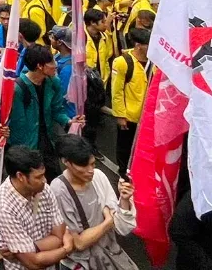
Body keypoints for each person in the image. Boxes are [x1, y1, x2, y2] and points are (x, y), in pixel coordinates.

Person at [49, 134, 137, 270]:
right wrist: (108, 221)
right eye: (83, 166)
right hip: (82, 264)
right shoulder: (59, 191)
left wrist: (124, 201)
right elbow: (79, 243)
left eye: (92, 164)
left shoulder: (99, 177)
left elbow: (122, 228)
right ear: (66, 162)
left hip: (108, 254)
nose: (90, 171)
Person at [0, 146, 75, 270]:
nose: (44, 180)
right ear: (21, 176)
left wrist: (28, 249)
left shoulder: (43, 189)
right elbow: (33, 263)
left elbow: (59, 236)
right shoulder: (2, 206)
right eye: (38, 177)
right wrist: (66, 249)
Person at [7, 43, 77, 179]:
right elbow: (18, 127)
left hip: (48, 141)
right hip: (28, 145)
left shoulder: (53, 82)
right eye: (50, 61)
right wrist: (25, 156)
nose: (55, 64)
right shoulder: (18, 89)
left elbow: (57, 110)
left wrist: (69, 121)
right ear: (40, 66)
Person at [111, 27, 151, 176]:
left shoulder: (153, 63)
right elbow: (117, 91)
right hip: (129, 117)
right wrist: (120, 115)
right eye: (148, 45)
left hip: (146, 117)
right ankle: (123, 175)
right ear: (138, 45)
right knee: (125, 148)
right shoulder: (123, 62)